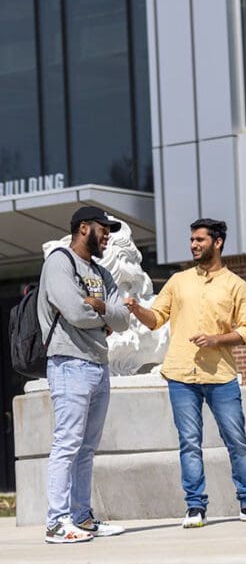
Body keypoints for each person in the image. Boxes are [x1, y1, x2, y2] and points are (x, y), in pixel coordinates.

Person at [124, 218, 246, 528]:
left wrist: (216, 339)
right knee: (190, 443)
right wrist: (136, 309)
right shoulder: (178, 281)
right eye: (192, 240)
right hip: (181, 375)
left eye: (200, 240)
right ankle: (195, 508)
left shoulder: (237, 286)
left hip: (221, 376)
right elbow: (156, 319)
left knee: (236, 440)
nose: (193, 245)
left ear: (217, 242)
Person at [38, 206, 130, 543]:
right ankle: (56, 522)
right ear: (84, 228)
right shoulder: (60, 261)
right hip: (69, 364)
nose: (108, 235)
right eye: (104, 229)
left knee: (87, 448)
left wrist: (102, 307)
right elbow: (75, 311)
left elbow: (123, 319)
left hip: (98, 365)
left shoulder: (103, 276)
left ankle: (81, 517)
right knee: (67, 444)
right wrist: (101, 315)